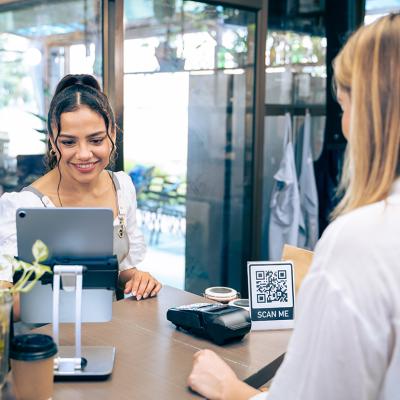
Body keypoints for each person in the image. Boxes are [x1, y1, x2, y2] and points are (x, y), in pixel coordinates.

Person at [188, 13, 400, 400]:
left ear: (372, 114)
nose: (345, 123)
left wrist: (230, 389)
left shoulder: (365, 240)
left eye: (344, 104)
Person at [0, 74, 161, 304]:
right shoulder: (25, 205)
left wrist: (137, 278)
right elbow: (5, 297)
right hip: (52, 335)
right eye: (68, 142)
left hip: (115, 329)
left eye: (96, 140)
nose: (84, 154)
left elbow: (121, 271)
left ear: (112, 134)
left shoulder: (121, 187)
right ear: (52, 141)